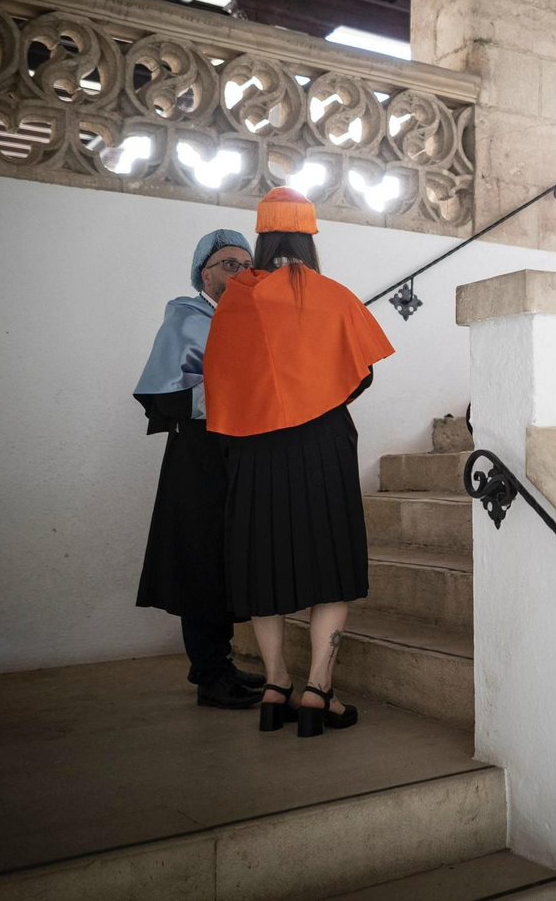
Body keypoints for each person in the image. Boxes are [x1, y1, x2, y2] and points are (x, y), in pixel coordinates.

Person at [205, 187, 395, 737]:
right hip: (321, 446)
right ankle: (318, 691)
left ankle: (274, 685)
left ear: (261, 237)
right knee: (328, 564)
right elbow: (361, 373)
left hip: (252, 447)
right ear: (310, 237)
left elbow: (219, 381)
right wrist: (315, 398)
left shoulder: (234, 301)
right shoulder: (332, 295)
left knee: (261, 564)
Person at [133, 229, 266, 709]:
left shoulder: (249, 317)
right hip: (199, 456)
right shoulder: (187, 319)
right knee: (201, 558)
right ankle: (210, 676)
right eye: (229, 263)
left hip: (239, 452)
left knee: (229, 558)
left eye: (247, 265)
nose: (240, 272)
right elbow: (167, 396)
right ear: (204, 273)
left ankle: (218, 662)